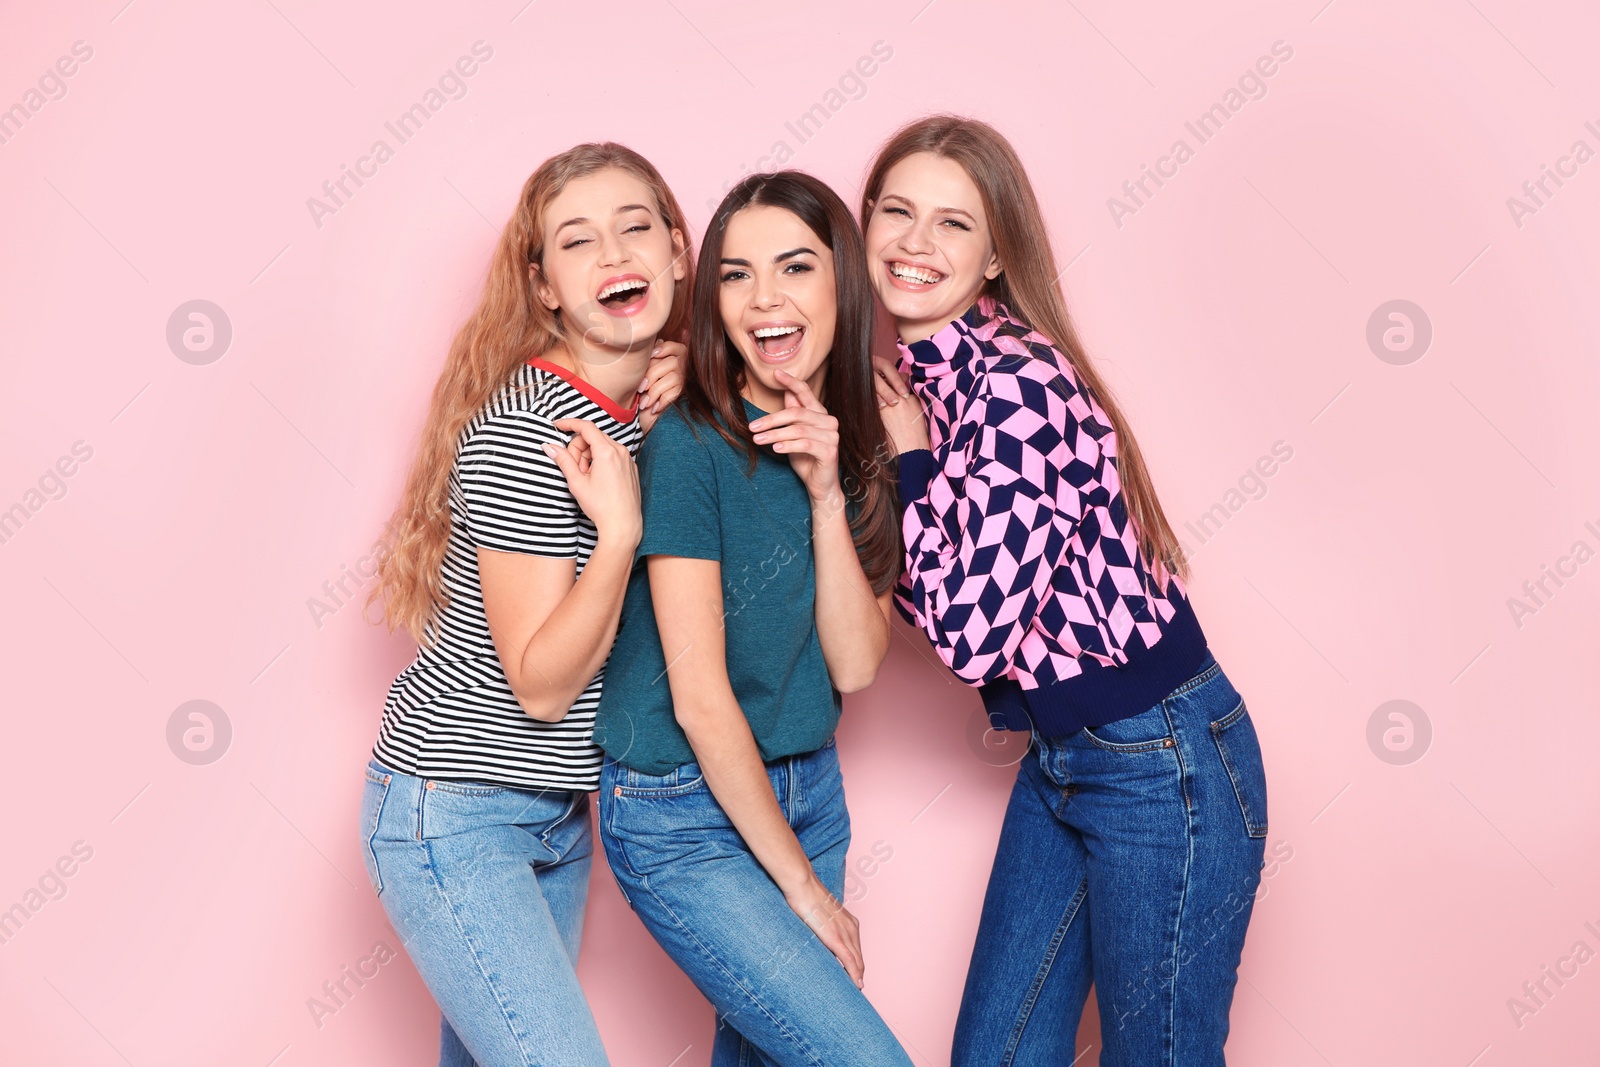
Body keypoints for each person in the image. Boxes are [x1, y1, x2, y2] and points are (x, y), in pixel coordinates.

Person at [864, 115, 1270, 1067]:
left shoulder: (1015, 386)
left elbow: (967, 637)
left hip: (1161, 762)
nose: (917, 243)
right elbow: (942, 587)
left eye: (954, 224)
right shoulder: (919, 380)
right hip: (1065, 755)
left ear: (997, 252)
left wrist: (914, 468)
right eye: (897, 211)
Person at [360, 142, 692, 1067]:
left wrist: (692, 374)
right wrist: (618, 535)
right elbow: (543, 686)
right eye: (577, 242)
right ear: (544, 286)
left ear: (675, 250)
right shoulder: (527, 430)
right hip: (456, 812)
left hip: (552, 813)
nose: (613, 254)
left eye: (635, 227)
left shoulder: (645, 406)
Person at [591, 170, 912, 1067]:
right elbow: (698, 700)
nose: (764, 299)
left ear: (842, 285)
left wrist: (822, 493)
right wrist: (803, 890)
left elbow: (853, 665)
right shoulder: (688, 441)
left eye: (795, 268)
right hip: (679, 806)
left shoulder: (851, 442)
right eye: (735, 275)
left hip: (810, 789)